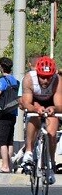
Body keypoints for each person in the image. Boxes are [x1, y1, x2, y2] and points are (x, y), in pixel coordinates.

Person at [21, 56, 62, 184]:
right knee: (34, 117)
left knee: (52, 132)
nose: (45, 80)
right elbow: (26, 103)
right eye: (42, 77)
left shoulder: (58, 80)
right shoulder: (29, 78)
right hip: (34, 101)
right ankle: (28, 151)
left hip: (51, 102)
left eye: (48, 77)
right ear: (37, 74)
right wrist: (36, 108)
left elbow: (60, 105)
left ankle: (50, 162)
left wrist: (54, 109)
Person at [0, 57, 19, 174]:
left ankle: (4, 166)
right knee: (9, 141)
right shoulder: (16, 81)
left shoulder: (3, 80)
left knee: (2, 141)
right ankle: (9, 165)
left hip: (3, 113)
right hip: (13, 113)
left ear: (1, 67)